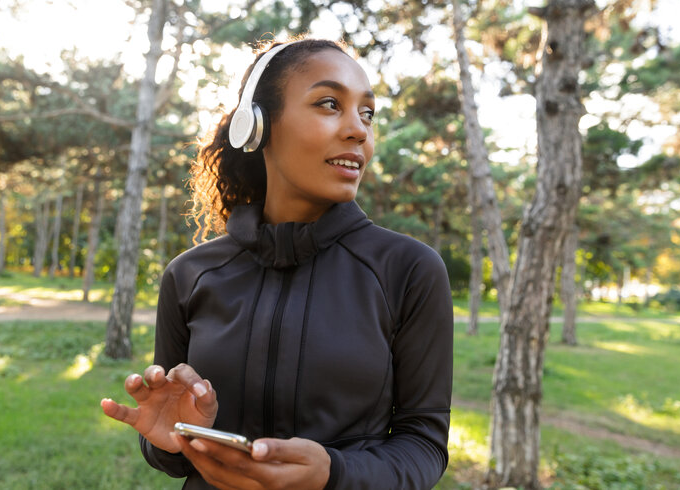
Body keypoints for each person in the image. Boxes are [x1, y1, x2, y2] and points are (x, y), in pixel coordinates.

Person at [100, 37, 453, 489]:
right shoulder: (189, 275)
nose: (359, 131)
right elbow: (172, 450)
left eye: (367, 113)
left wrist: (335, 473)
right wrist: (170, 439)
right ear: (257, 126)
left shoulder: (409, 269)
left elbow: (424, 445)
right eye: (329, 104)